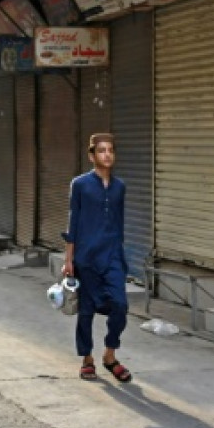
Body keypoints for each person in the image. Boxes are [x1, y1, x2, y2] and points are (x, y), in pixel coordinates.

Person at [62, 133, 132, 383]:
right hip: (86, 257)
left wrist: (121, 257)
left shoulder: (119, 187)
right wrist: (69, 259)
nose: (107, 155)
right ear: (92, 156)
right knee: (87, 311)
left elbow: (119, 223)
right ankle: (87, 359)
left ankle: (110, 355)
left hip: (112, 256)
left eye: (111, 150)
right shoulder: (80, 184)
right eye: (101, 150)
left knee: (120, 306)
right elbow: (74, 221)